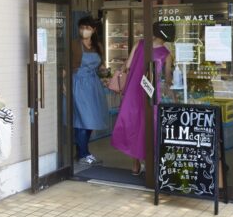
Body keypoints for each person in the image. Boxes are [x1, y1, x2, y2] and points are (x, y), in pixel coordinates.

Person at [111, 21, 175, 175]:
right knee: (149, 127)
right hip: (152, 94)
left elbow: (127, 65)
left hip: (133, 91)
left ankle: (135, 164)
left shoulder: (140, 44)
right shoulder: (166, 54)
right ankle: (150, 162)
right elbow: (167, 80)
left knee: (133, 125)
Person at [70, 16, 109, 165]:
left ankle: (82, 152)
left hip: (93, 85)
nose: (84, 31)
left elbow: (101, 67)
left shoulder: (97, 45)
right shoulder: (74, 44)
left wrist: (106, 74)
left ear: (93, 30)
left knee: (90, 120)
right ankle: (83, 154)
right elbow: (66, 67)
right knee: (82, 120)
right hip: (78, 84)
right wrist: (64, 84)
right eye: (81, 27)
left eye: (87, 28)